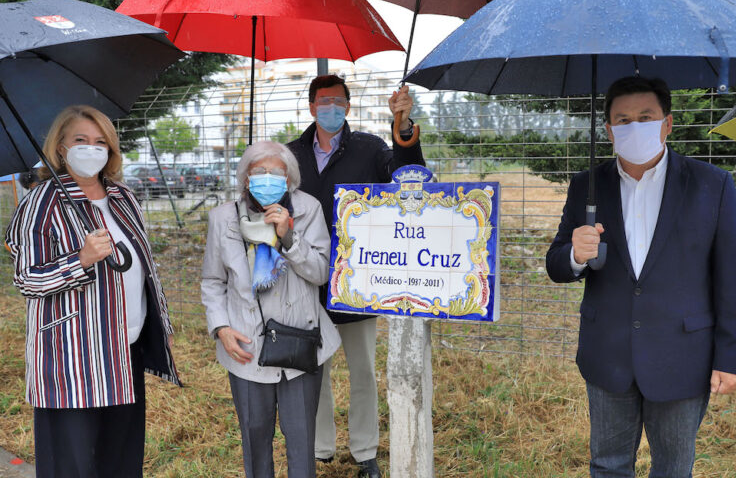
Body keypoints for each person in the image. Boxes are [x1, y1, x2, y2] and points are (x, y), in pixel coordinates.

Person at [546, 76, 736, 477]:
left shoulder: (711, 185)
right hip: (607, 356)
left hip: (683, 356)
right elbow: (557, 264)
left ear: (668, 123)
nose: (633, 127)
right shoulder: (586, 187)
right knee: (607, 465)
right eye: (622, 120)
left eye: (646, 117)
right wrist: (574, 253)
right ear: (608, 130)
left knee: (674, 468)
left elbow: (734, 278)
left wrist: (733, 357)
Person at [5, 105, 180, 477]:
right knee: (72, 465)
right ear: (60, 147)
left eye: (101, 141)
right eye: (80, 140)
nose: (92, 149)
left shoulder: (124, 197)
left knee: (120, 459)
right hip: (71, 357)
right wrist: (80, 259)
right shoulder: (42, 202)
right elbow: (27, 279)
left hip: (123, 351)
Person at [287, 74, 425, 478]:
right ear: (311, 107)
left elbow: (408, 177)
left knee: (362, 367)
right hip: (308, 277)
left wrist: (402, 127)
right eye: (324, 101)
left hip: (361, 280)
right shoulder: (292, 154)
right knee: (315, 367)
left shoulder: (369, 148)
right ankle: (321, 447)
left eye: (340, 101)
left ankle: (365, 451)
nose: (332, 108)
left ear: (348, 106)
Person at [201, 141, 341, 478]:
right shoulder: (224, 218)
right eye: (258, 171)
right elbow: (212, 281)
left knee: (301, 439)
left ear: (290, 178)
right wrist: (221, 328)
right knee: (254, 435)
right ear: (245, 178)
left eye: (275, 172)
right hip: (246, 344)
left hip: (300, 342)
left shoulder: (307, 209)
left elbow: (321, 272)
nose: (267, 178)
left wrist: (290, 238)